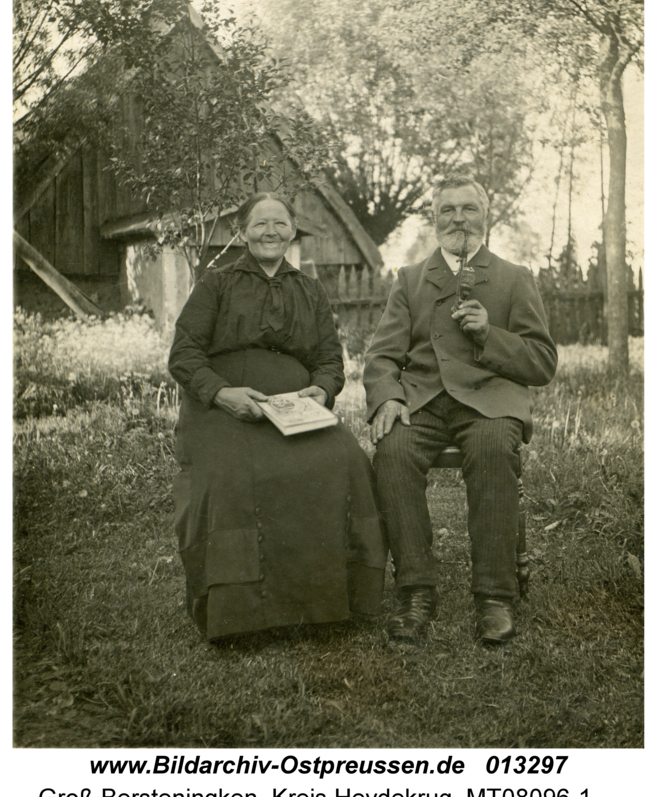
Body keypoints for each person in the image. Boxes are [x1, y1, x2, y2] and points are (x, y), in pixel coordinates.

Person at [168, 193, 387, 641]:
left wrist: (321, 390)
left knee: (344, 461)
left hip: (296, 408)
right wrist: (223, 393)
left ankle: (332, 604)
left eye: (280, 223)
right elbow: (184, 354)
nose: (270, 231)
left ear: (293, 230)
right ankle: (240, 616)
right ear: (241, 231)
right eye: (260, 223)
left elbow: (329, 358)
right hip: (226, 409)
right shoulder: (217, 284)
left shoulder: (309, 289)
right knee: (231, 474)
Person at [364, 175, 557, 644]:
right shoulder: (411, 279)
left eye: (468, 209)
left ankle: (494, 596)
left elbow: (542, 361)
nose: (458, 219)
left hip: (489, 400)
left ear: (485, 216)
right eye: (447, 210)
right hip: (423, 400)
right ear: (435, 220)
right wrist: (387, 396)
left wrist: (490, 335)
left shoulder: (514, 277)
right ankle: (415, 591)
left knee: (493, 449)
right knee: (391, 453)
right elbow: (382, 355)